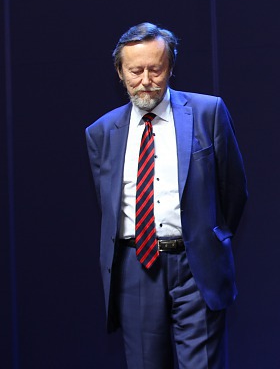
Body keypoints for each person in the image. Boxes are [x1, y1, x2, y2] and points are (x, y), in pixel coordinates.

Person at [86, 22, 248, 369]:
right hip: (135, 268)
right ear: (120, 73)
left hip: (195, 266)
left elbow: (234, 190)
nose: (146, 80)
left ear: (171, 67)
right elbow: (108, 205)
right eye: (135, 71)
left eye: (155, 69)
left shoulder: (208, 113)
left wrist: (212, 238)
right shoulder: (101, 132)